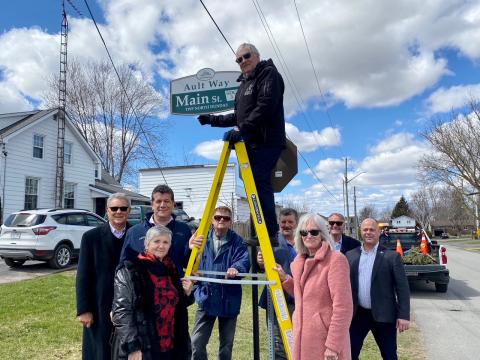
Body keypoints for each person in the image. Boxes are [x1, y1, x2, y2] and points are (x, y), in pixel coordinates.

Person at [197, 42, 286, 246]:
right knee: (252, 187)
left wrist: (242, 130)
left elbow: (266, 107)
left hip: (267, 140)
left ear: (256, 55)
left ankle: (270, 232)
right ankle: (258, 231)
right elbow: (239, 116)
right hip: (251, 143)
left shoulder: (268, 74)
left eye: (246, 56)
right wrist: (212, 119)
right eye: (239, 59)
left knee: (259, 181)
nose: (243, 61)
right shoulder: (244, 84)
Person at [275, 213, 353, 360]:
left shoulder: (336, 260)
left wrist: (333, 346)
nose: (308, 236)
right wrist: (286, 279)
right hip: (302, 337)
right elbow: (303, 295)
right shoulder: (300, 262)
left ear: (323, 234)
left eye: (314, 232)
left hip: (325, 341)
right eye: (304, 232)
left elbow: (343, 307)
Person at [111, 225, 193, 360]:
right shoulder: (130, 269)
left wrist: (187, 293)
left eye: (165, 242)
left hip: (171, 344)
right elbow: (121, 311)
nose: (161, 246)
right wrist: (133, 347)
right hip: (143, 345)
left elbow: (175, 304)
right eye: (157, 241)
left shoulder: (170, 269)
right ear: (146, 243)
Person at [76, 193, 132, 359]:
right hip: (99, 306)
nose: (119, 212)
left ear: (129, 211)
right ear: (107, 211)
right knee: (100, 351)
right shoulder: (91, 238)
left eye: (123, 208)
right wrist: (84, 310)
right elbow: (83, 276)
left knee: (128, 350)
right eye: (114, 208)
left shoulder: (136, 235)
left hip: (129, 306)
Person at [345, 218, 410, 360]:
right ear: (361, 232)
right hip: (358, 315)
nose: (368, 232)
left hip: (384, 315)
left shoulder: (391, 257)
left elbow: (402, 288)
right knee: (349, 353)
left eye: (372, 229)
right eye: (365, 229)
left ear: (379, 232)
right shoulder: (350, 256)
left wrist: (404, 315)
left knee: (389, 355)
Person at [191, 206, 250, 360]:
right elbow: (189, 259)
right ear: (212, 220)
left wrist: (236, 268)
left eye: (226, 218)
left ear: (231, 222)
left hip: (229, 299)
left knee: (226, 345)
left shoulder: (237, 240)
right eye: (217, 217)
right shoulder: (201, 238)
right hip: (206, 298)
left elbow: (244, 260)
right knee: (196, 343)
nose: (221, 220)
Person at [120, 184, 193, 277]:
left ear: (173, 204)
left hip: (174, 288)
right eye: (158, 201)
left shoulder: (184, 230)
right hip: (143, 290)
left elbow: (189, 264)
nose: (162, 205)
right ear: (152, 205)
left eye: (166, 201)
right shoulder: (134, 232)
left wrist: (191, 249)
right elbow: (124, 266)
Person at [257, 208, 298, 360]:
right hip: (276, 298)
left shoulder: (305, 241)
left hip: (300, 300)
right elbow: (261, 266)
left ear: (296, 223)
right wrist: (260, 262)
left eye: (290, 222)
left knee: (299, 340)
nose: (287, 225)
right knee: (277, 344)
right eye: (283, 222)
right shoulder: (271, 241)